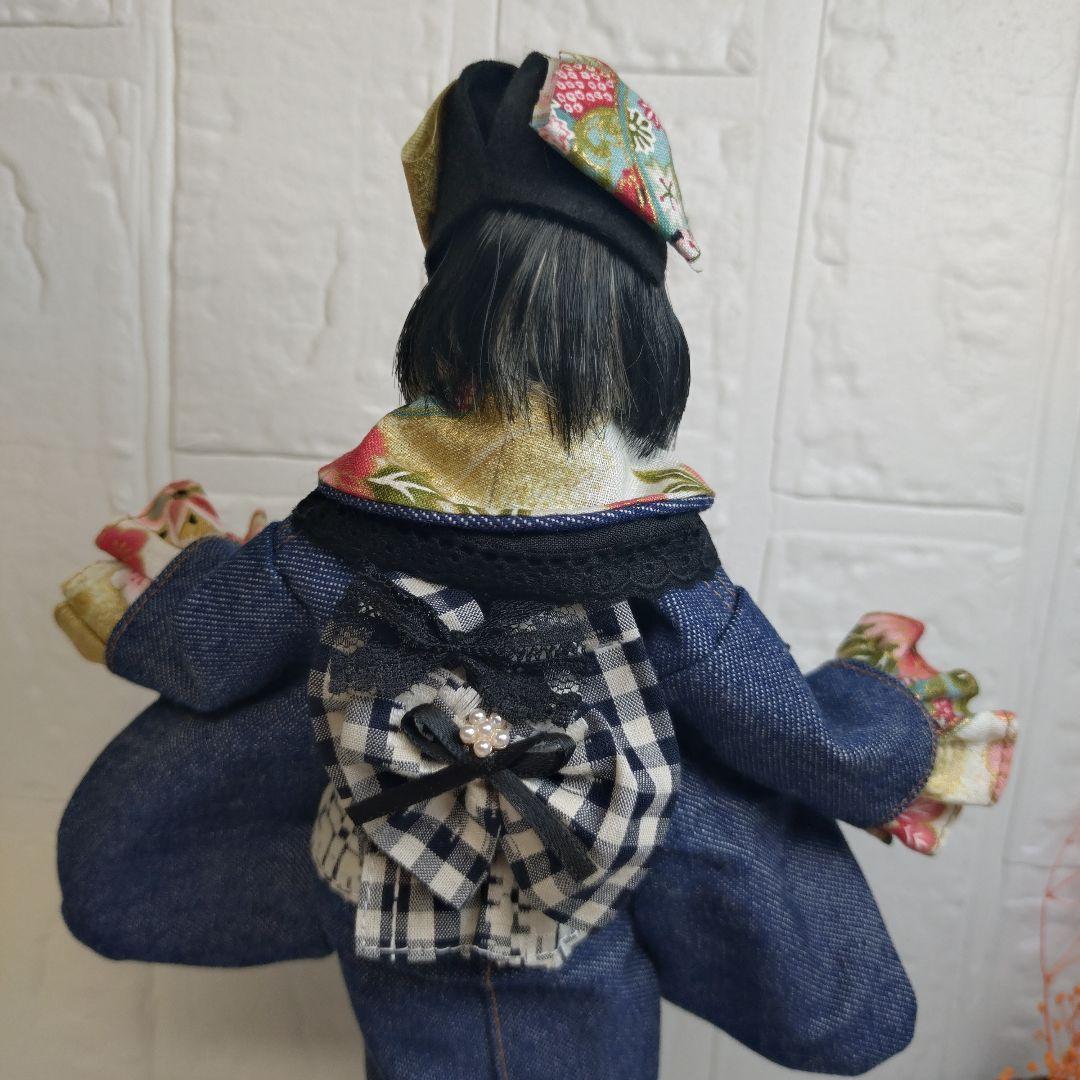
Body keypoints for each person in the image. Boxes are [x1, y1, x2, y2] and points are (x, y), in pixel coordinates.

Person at [54, 51, 1016, 1080]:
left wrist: (170, 586)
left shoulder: (333, 544)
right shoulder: (663, 576)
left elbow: (199, 645)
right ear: (640, 333)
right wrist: (888, 725)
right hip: (586, 921)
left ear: (445, 314)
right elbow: (790, 729)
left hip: (383, 906)